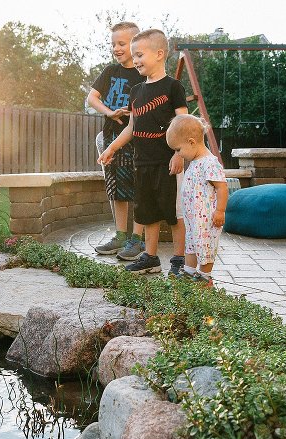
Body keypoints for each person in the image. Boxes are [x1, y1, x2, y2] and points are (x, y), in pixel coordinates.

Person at [98, 28, 187, 275]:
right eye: (133, 56)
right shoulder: (136, 91)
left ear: (159, 54)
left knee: (173, 213)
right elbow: (132, 127)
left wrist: (179, 153)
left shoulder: (173, 87)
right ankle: (150, 257)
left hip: (168, 163)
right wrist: (112, 147)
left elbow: (184, 124)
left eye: (139, 55)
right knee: (147, 212)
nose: (135, 60)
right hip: (142, 162)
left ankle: (179, 260)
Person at [88, 21, 147, 260]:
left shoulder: (143, 73)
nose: (116, 48)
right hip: (112, 135)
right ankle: (120, 236)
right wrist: (109, 112)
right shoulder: (110, 71)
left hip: (137, 139)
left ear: (134, 44)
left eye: (122, 43)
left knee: (138, 189)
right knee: (117, 190)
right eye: (113, 44)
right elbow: (92, 98)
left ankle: (137, 240)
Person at [166, 114, 228, 286]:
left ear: (192, 142)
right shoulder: (194, 161)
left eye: (178, 150)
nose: (178, 154)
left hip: (207, 219)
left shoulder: (209, 162)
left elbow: (222, 187)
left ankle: (204, 277)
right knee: (192, 245)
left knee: (205, 246)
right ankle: (189, 271)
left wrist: (220, 210)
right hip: (194, 219)